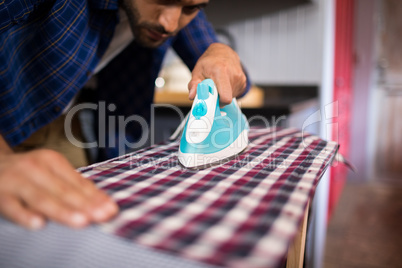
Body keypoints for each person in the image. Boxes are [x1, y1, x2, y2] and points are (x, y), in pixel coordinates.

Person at [0, 0, 250, 230]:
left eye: (191, 7)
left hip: (60, 122)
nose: (170, 24)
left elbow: (236, 81)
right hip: (7, 120)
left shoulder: (180, 8)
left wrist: (222, 52)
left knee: (77, 222)